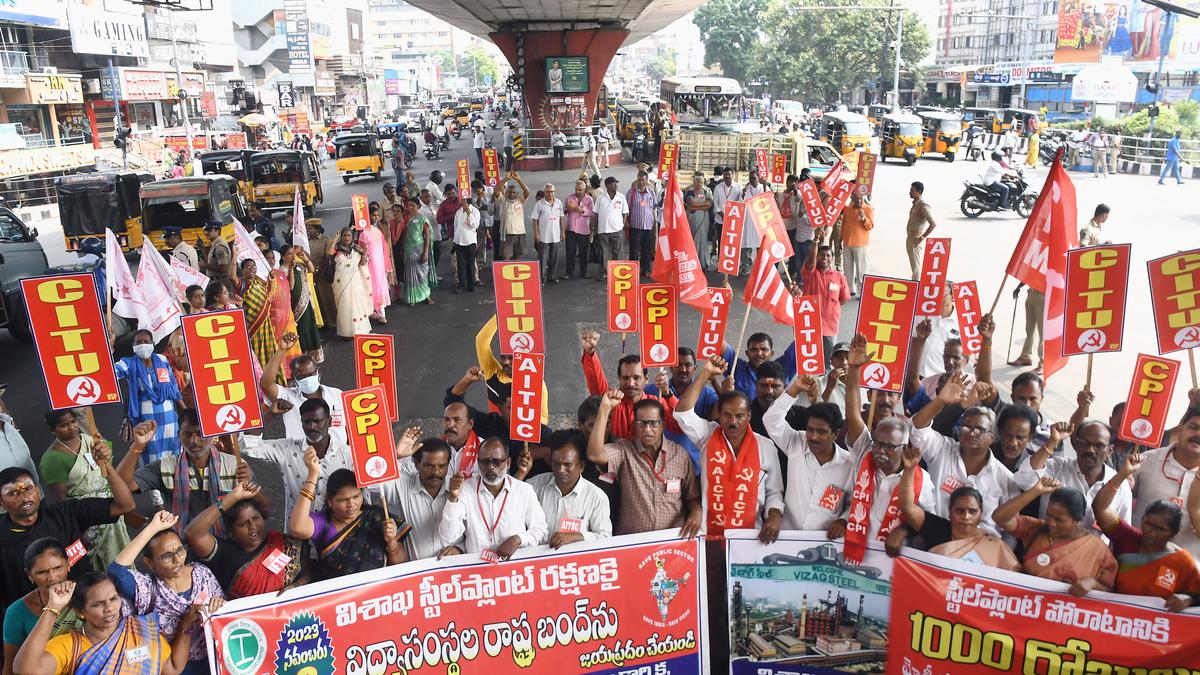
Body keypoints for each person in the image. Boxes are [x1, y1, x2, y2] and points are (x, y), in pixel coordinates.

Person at [675, 356, 785, 542]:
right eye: (727, 415)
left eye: (740, 416)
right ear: (719, 413)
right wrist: (706, 373)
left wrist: (774, 516)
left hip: (751, 538)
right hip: (708, 534)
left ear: (749, 416)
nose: (733, 421)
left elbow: (774, 492)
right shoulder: (708, 436)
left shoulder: (765, 447)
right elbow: (682, 413)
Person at [107, 511, 224, 674]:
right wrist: (153, 528)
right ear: (149, 563)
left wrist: (220, 605)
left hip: (215, 660)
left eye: (180, 550)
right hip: (174, 668)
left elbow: (224, 608)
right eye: (167, 556)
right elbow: (116, 571)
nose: (177, 560)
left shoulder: (202, 574)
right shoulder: (146, 590)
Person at [14, 573, 196, 675]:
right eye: (98, 604)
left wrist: (188, 622)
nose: (109, 608)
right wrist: (53, 607)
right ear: (80, 612)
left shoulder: (141, 631)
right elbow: (25, 671)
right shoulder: (69, 646)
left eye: (113, 599)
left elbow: (172, 669)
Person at [910, 373, 1018, 536]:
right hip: (934, 538)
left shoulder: (1005, 479)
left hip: (978, 552)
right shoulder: (942, 449)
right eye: (967, 426)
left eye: (980, 429)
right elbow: (917, 430)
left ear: (992, 437)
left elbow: (1009, 532)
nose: (972, 432)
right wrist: (941, 401)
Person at [239, 399, 366, 535]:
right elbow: (248, 446)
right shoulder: (287, 449)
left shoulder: (349, 455)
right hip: (297, 538)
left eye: (317, 421)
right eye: (306, 422)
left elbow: (363, 497)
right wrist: (270, 413)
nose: (312, 426)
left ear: (329, 421)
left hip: (338, 539)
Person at [1095, 452, 1200, 610]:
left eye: (1160, 529)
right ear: (1142, 520)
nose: (1152, 532)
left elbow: (1196, 595)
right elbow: (1100, 508)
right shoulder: (1128, 538)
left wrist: (1188, 600)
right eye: (1149, 524)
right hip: (1111, 618)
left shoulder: (1182, 562)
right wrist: (1123, 474)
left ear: (1173, 533)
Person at [587, 394, 702, 537]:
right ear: (635, 424)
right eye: (641, 423)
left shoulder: (680, 455)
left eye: (654, 423)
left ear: (663, 424)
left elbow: (692, 496)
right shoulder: (624, 450)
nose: (647, 430)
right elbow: (595, 455)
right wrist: (604, 409)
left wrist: (697, 511)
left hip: (672, 540)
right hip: (634, 543)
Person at [895, 448, 1020, 571]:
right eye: (960, 511)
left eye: (972, 512)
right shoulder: (936, 528)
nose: (966, 516)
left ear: (981, 514)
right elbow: (906, 506)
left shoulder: (994, 545)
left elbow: (1014, 577)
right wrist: (909, 469)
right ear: (950, 511)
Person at [290, 456, 409, 580]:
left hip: (375, 593)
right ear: (330, 502)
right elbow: (297, 527)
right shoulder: (324, 521)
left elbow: (401, 564)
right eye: (343, 500)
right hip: (337, 595)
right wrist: (313, 474)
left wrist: (392, 541)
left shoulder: (377, 517)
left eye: (356, 497)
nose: (351, 505)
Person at [39, 412, 130, 571]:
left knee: (122, 558)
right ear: (52, 430)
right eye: (63, 425)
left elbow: (109, 467)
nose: (71, 427)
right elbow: (61, 501)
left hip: (111, 509)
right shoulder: (52, 460)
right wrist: (78, 533)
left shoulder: (92, 440)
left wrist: (105, 454)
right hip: (87, 518)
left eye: (73, 421)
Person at [182, 481, 304, 598]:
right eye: (243, 524)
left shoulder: (282, 543)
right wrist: (233, 497)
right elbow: (193, 534)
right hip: (248, 619)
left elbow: (310, 568)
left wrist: (298, 585)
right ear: (232, 532)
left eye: (255, 518)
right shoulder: (225, 553)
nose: (252, 526)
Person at [994, 480, 1117, 595]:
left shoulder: (1097, 549)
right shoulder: (1035, 529)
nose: (1051, 522)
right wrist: (1035, 491)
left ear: (1078, 521)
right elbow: (1000, 517)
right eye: (1049, 515)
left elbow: (1111, 592)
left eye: (1059, 520)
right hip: (1027, 606)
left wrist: (1093, 583)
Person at [763, 378, 855, 531]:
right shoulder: (797, 442)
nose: (813, 436)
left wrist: (843, 520)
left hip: (824, 543)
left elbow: (852, 503)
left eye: (822, 432)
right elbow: (771, 420)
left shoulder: (849, 464)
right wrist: (794, 390)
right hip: (787, 536)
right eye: (810, 429)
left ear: (836, 434)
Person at [436, 439, 548, 559]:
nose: (490, 467)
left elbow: (541, 532)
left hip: (513, 571)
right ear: (478, 463)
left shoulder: (524, 491)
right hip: (476, 570)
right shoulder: (465, 490)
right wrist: (453, 498)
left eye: (497, 462)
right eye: (485, 462)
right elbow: (449, 537)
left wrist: (518, 539)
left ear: (508, 463)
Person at [1015, 421, 1129, 534]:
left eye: (1099, 445)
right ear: (1076, 444)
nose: (1090, 450)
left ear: (1110, 450)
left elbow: (1123, 533)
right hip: (1049, 547)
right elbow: (1024, 480)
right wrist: (1053, 441)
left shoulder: (1120, 484)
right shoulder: (1057, 467)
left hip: (1094, 551)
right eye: (1085, 443)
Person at [2, 539, 80, 673]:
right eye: (42, 572)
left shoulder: (86, 596)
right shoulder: (17, 612)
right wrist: (53, 606)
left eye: (57, 568)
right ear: (29, 575)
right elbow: (11, 667)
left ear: (68, 565)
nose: (52, 577)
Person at [1131, 407, 1200, 556]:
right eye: (1194, 427)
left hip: (1188, 571)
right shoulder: (1146, 461)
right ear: (1181, 428)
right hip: (1136, 562)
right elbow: (1116, 505)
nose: (1198, 434)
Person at [526, 431, 612, 547]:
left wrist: (578, 536)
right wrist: (522, 473)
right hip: (537, 562)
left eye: (567, 465)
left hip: (576, 563)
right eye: (556, 464)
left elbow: (605, 537)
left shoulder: (596, 497)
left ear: (581, 466)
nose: (561, 470)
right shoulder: (534, 486)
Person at [259, 334, 346, 444]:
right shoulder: (287, 398)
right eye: (302, 377)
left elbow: (350, 428)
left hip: (337, 458)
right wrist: (281, 350)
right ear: (295, 379)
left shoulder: (337, 395)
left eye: (310, 374)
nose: (307, 379)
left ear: (318, 372)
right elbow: (265, 384)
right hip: (301, 457)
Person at [113, 330, 183, 465]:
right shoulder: (127, 364)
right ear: (133, 346)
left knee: (173, 456)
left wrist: (185, 410)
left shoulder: (162, 360)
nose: (142, 345)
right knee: (151, 458)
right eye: (138, 342)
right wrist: (110, 348)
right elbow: (112, 373)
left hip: (169, 419)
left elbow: (173, 387)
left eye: (146, 342)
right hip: (146, 420)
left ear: (153, 343)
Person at [377, 438, 451, 560]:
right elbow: (370, 484)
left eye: (442, 466)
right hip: (413, 574)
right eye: (429, 466)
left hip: (451, 573)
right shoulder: (402, 484)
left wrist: (459, 548)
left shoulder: (457, 488)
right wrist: (395, 457)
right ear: (416, 464)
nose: (436, 472)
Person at [801, 246, 851, 365]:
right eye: (822, 255)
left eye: (828, 255)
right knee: (809, 362)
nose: (825, 257)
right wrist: (816, 241)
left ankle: (828, 383)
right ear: (816, 257)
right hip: (809, 325)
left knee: (829, 362)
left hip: (830, 326)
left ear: (832, 259)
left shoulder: (839, 277)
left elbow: (844, 299)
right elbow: (811, 259)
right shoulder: (810, 273)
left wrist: (831, 308)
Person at [278, 245, 323, 363]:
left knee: (310, 326)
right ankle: (302, 356)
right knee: (301, 328)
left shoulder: (299, 265)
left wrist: (304, 258)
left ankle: (312, 354)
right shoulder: (281, 270)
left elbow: (312, 270)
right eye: (288, 254)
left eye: (293, 253)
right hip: (294, 304)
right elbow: (291, 287)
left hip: (306, 302)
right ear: (283, 257)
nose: (292, 256)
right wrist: (291, 270)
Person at [328, 227, 372, 338]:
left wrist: (365, 253)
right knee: (345, 305)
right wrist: (335, 239)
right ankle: (346, 332)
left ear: (352, 237)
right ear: (341, 237)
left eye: (349, 236)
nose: (347, 238)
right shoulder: (336, 248)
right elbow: (328, 253)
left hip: (355, 282)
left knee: (356, 304)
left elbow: (362, 264)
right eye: (344, 236)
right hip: (340, 282)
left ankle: (359, 329)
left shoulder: (356, 249)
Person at [359, 210, 394, 323]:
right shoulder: (363, 234)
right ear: (368, 217)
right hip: (370, 265)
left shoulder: (377, 231)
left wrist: (386, 265)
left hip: (379, 264)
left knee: (379, 286)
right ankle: (374, 312)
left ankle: (381, 313)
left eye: (377, 215)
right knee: (370, 287)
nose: (376, 217)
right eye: (374, 215)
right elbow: (362, 251)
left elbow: (384, 249)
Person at [400, 197, 435, 305]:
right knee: (410, 275)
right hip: (408, 250)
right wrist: (402, 249)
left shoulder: (422, 219)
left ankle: (426, 295)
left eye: (413, 206)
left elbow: (427, 236)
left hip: (420, 250)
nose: (410, 207)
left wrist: (425, 253)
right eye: (409, 205)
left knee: (423, 273)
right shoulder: (405, 219)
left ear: (418, 207)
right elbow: (404, 235)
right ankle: (412, 298)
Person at [839, 186, 873, 295]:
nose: (858, 201)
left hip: (860, 244)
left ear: (863, 198)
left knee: (861, 269)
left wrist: (864, 218)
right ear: (852, 198)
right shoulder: (848, 210)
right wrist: (840, 242)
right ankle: (849, 289)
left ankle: (861, 291)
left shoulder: (868, 209)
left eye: (860, 198)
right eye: (855, 198)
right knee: (847, 268)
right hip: (847, 243)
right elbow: (843, 226)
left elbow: (870, 226)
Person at [594, 176, 628, 277]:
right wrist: (595, 228)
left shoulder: (621, 197)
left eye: (616, 183)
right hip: (603, 229)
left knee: (618, 252)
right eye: (613, 183)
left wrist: (622, 224)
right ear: (607, 185)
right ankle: (605, 272)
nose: (616, 185)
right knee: (604, 252)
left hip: (617, 229)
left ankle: (617, 272)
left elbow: (625, 212)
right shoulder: (601, 197)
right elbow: (595, 213)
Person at [532, 182, 565, 284]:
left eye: (552, 192)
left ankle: (552, 276)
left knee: (554, 258)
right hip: (544, 236)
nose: (550, 194)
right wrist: (536, 234)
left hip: (555, 235)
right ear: (544, 192)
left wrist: (563, 232)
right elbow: (535, 220)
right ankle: (542, 278)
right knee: (543, 258)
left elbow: (561, 218)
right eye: (548, 192)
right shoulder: (539, 204)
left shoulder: (558, 203)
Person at [626, 171, 658, 274]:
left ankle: (646, 270)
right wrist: (626, 222)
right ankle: (633, 272)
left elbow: (655, 207)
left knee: (647, 251)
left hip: (648, 227)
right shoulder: (631, 193)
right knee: (634, 251)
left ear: (646, 180)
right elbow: (625, 210)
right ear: (637, 180)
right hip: (635, 226)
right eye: (639, 180)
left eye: (643, 180)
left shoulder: (652, 193)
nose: (641, 182)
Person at [495, 172, 530, 261]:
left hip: (519, 232)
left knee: (518, 257)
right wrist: (505, 179)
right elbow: (496, 190)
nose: (511, 194)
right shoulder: (502, 200)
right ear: (506, 193)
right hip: (506, 233)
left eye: (514, 192)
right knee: (506, 257)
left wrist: (518, 179)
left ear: (517, 193)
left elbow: (527, 191)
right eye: (510, 192)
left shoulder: (520, 201)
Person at [905, 181, 936, 279]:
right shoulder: (915, 204)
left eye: (912, 190)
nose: (910, 192)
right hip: (910, 238)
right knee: (914, 266)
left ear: (919, 192)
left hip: (915, 239)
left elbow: (933, 224)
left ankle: (916, 287)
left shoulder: (923, 206)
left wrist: (921, 238)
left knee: (916, 268)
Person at [564, 179, 594, 279]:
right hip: (570, 229)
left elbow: (591, 213)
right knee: (570, 252)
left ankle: (584, 272)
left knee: (583, 253)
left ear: (584, 190)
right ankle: (569, 272)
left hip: (583, 230)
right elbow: (563, 211)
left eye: (580, 190)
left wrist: (579, 210)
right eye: (576, 189)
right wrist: (568, 209)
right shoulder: (569, 197)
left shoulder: (589, 199)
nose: (577, 191)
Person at [684, 172, 713, 272]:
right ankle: (693, 262)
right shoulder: (689, 191)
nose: (699, 184)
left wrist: (697, 206)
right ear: (694, 182)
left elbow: (709, 205)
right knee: (692, 239)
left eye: (701, 182)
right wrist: (702, 206)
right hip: (692, 218)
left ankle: (704, 263)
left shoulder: (707, 191)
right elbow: (690, 204)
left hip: (704, 219)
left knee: (703, 240)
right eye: (698, 182)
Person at [452, 196, 480, 293]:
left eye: (461, 199)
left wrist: (469, 213)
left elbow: (475, 225)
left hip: (470, 241)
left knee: (471, 264)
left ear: (465, 200)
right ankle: (463, 285)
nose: (459, 201)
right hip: (459, 241)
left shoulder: (475, 211)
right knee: (461, 264)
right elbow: (456, 227)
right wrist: (455, 241)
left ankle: (471, 284)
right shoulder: (458, 212)